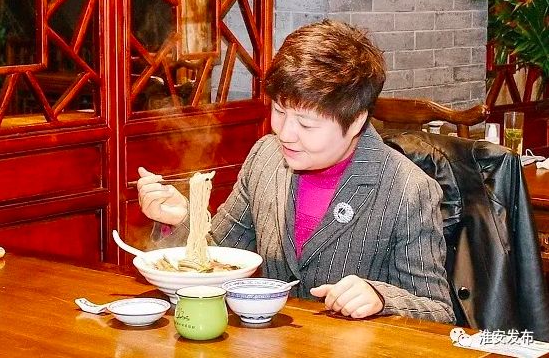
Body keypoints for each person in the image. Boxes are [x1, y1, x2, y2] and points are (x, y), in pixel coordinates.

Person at [137, 19, 455, 323]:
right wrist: (183, 219)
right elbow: (221, 255)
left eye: (306, 123)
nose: (285, 133)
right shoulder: (265, 157)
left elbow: (438, 311)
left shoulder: (407, 189)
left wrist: (381, 298)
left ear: (356, 120)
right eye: (279, 110)